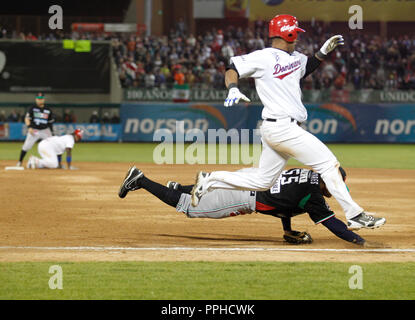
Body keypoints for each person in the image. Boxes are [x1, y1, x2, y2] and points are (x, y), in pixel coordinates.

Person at [190, 14, 386, 230]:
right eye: (296, 33)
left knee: (263, 182)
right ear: (289, 33)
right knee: (328, 165)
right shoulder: (264, 57)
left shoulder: (295, 57)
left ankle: (209, 180)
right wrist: (233, 88)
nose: (298, 38)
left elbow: (306, 67)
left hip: (278, 129)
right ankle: (354, 215)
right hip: (283, 127)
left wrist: (322, 53)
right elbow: (232, 67)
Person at [118, 166, 384, 247]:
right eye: (336, 185)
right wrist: (358, 240)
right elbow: (334, 224)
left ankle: (179, 187)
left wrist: (288, 230)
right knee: (190, 208)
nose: (337, 190)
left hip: (251, 178)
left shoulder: (306, 175)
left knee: (212, 186)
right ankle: (141, 181)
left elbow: (286, 203)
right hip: (245, 197)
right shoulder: (315, 197)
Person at [17, 93, 55, 167]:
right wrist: (29, 127)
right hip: (34, 130)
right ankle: (20, 162)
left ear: (44, 99)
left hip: (45, 130)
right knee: (26, 146)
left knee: (52, 145)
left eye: (41, 98)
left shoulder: (48, 109)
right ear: (36, 99)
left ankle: (56, 163)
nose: (39, 100)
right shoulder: (32, 108)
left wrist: (52, 133)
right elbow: (27, 118)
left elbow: (50, 123)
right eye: (38, 98)